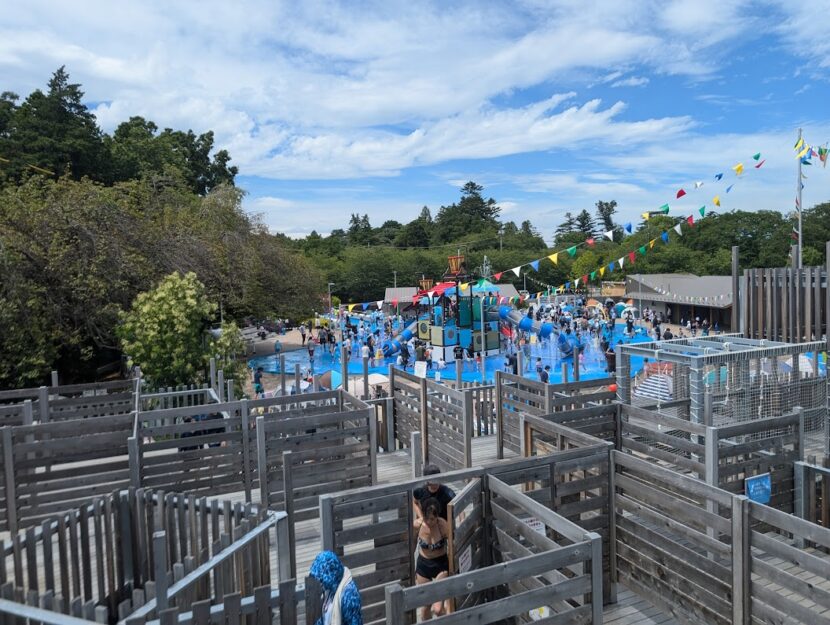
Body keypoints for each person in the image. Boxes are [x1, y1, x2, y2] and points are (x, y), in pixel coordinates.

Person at [414, 497, 451, 620]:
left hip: (441, 565)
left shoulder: (442, 525)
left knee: (438, 608)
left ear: (437, 516)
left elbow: (453, 543)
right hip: (424, 565)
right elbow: (410, 545)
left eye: (432, 519)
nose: (429, 522)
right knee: (425, 606)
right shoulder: (418, 525)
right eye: (426, 518)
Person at [309, 551, 363, 625]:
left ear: (331, 575)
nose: (320, 582)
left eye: (322, 579)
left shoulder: (349, 595)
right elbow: (325, 619)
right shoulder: (330, 589)